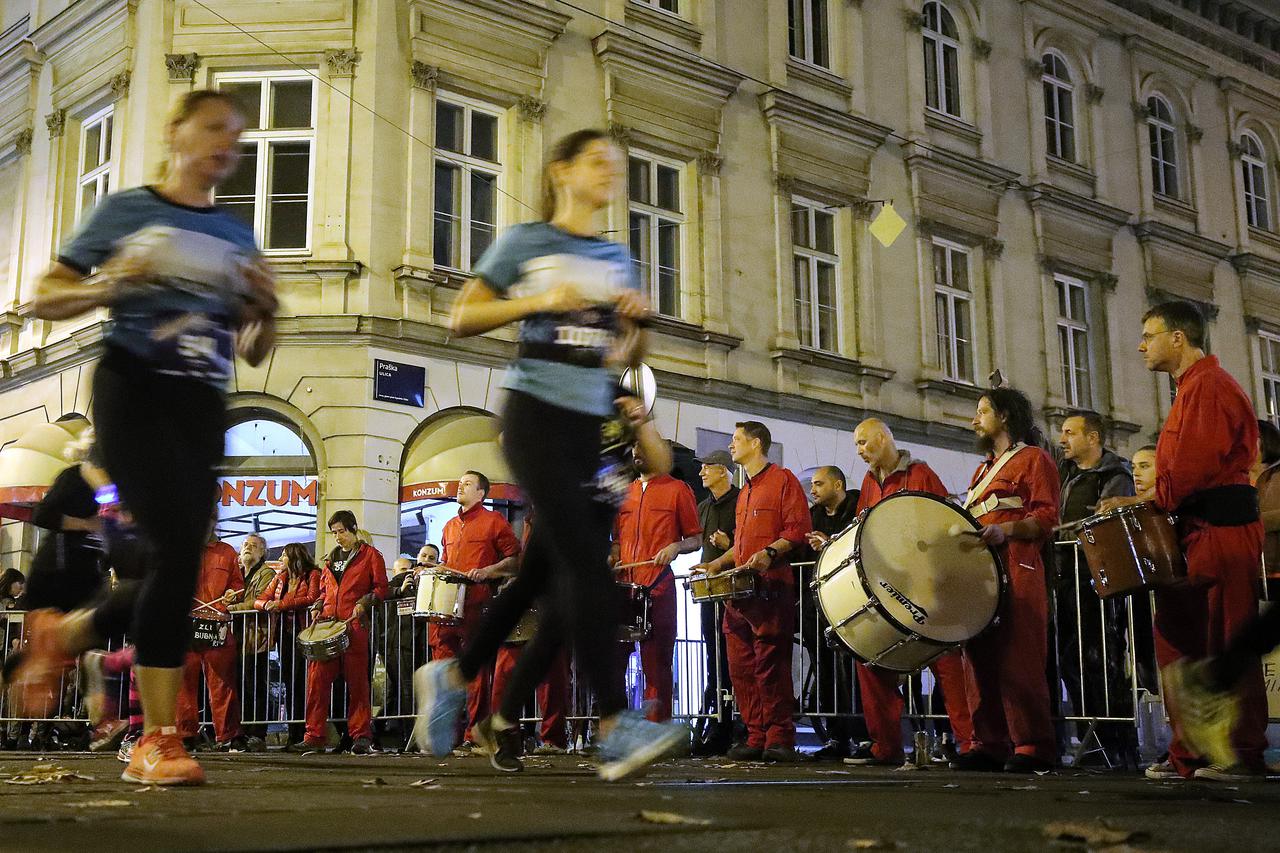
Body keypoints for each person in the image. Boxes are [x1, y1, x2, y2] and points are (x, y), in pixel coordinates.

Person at [10, 89, 277, 786]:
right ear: (176, 129)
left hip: (201, 399)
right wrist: (111, 284)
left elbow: (253, 345)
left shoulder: (237, 235)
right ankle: (157, 737)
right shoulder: (130, 210)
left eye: (237, 135)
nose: (228, 142)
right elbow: (42, 294)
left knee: (180, 565)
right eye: (215, 126)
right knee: (170, 548)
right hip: (134, 386)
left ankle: (67, 634)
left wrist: (263, 308)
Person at [1099, 301, 1266, 782]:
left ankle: (1238, 752)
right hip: (1198, 531)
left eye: (1148, 335)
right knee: (1181, 639)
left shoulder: (1208, 388)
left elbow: (1187, 473)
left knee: (1224, 639)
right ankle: (1190, 753)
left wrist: (1142, 503)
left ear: (1178, 338)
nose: (1140, 345)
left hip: (1220, 530)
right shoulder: (1191, 390)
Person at [845, 419, 974, 767]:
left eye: (862, 442)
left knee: (947, 661)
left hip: (928, 585)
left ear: (884, 438)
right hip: (889, 588)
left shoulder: (920, 473)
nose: (859, 451)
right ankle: (884, 745)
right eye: (856, 445)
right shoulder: (871, 483)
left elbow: (945, 519)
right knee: (870, 657)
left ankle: (970, 743)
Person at [952, 388, 1060, 773]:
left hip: (1017, 565)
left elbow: (1047, 519)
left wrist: (1007, 531)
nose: (975, 419)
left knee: (1019, 657)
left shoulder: (1034, 460)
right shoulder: (982, 471)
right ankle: (989, 741)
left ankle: (1033, 743)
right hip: (982, 571)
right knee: (977, 656)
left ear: (1006, 417)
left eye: (983, 411)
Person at [692, 421, 811, 762]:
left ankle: (779, 738)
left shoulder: (783, 480)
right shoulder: (745, 491)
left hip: (771, 588)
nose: (731, 446)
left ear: (756, 444)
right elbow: (742, 547)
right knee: (741, 666)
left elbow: (797, 529)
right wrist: (716, 564)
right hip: (740, 593)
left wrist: (771, 553)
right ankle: (756, 734)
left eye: (737, 440)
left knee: (770, 664)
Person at [1053, 410, 1137, 766]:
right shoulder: (1065, 473)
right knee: (1071, 659)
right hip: (1066, 577)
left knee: (1100, 659)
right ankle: (1091, 738)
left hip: (1096, 580)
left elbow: (1107, 523)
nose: (1062, 439)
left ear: (1093, 438)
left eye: (1070, 432)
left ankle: (1114, 743)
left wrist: (1066, 533)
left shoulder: (1114, 474)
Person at [430, 470, 521, 750]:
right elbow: (445, 562)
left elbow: (514, 560)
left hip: (478, 606)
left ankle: (474, 735)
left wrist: (488, 571)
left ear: (481, 493)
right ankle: (448, 736)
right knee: (444, 672)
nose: (460, 486)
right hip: (446, 610)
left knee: (477, 676)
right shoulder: (447, 526)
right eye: (460, 483)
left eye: (467, 484)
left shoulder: (495, 521)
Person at [611, 446, 701, 722]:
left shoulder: (678, 490)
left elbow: (696, 538)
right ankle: (615, 728)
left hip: (657, 586)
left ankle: (656, 729)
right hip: (625, 585)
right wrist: (612, 556)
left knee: (657, 662)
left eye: (644, 449)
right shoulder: (625, 492)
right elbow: (616, 540)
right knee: (613, 662)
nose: (637, 453)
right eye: (636, 450)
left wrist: (675, 546)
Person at [304, 510, 388, 755]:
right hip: (329, 625)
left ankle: (361, 735)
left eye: (341, 531)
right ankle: (314, 734)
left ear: (353, 529)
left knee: (358, 685)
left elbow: (381, 587)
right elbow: (324, 591)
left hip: (354, 627)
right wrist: (318, 606)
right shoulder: (329, 560)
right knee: (317, 682)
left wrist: (365, 602)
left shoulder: (371, 555)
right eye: (334, 533)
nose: (338, 537)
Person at [797, 465, 860, 761]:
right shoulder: (814, 516)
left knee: (856, 669)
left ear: (838, 485)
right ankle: (837, 737)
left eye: (819, 484)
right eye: (812, 485)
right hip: (817, 604)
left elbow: (858, 543)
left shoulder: (857, 507)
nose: (813, 489)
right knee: (823, 669)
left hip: (851, 599)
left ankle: (863, 735)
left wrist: (829, 544)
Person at [19, 417, 105, 614]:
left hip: (87, 580)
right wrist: (86, 524)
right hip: (55, 578)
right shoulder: (75, 477)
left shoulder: (111, 488)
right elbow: (42, 514)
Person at [176, 534, 245, 751]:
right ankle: (186, 734)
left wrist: (232, 593)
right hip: (188, 623)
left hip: (217, 624)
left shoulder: (226, 551)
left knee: (223, 683)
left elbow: (237, 583)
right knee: (184, 683)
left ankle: (228, 735)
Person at [691, 450, 738, 756]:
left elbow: (749, 541)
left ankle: (731, 724)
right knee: (713, 658)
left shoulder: (740, 500)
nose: (702, 472)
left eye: (708, 467)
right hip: (710, 591)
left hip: (734, 590)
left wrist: (729, 544)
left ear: (723, 471)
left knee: (733, 659)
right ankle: (715, 720)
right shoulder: (704, 507)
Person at [255, 542, 319, 747]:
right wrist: (267, 605)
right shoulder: (280, 578)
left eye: (284, 555)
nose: (281, 558)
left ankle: (306, 731)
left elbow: (311, 597)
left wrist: (280, 605)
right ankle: (294, 732)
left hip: (306, 634)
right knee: (290, 683)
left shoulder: (312, 575)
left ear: (294, 557)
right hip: (285, 636)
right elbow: (260, 600)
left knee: (304, 683)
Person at [228, 533, 271, 752]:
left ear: (262, 552)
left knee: (255, 686)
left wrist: (232, 608)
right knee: (238, 686)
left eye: (253, 546)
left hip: (256, 639)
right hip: (236, 638)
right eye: (245, 544)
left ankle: (257, 733)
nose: (248, 548)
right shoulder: (236, 573)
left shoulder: (266, 573)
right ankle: (239, 732)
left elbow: (259, 601)